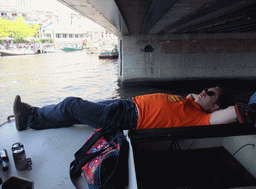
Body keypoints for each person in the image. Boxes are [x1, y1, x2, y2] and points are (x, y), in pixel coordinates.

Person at [13, 86, 255, 131]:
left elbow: (231, 113)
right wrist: (197, 96)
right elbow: (194, 95)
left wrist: (240, 110)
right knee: (75, 113)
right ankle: (35, 118)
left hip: (124, 117)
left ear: (216, 105)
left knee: (71, 105)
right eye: (206, 88)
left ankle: (30, 116)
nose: (205, 90)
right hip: (125, 105)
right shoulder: (189, 101)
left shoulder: (199, 118)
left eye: (211, 93)